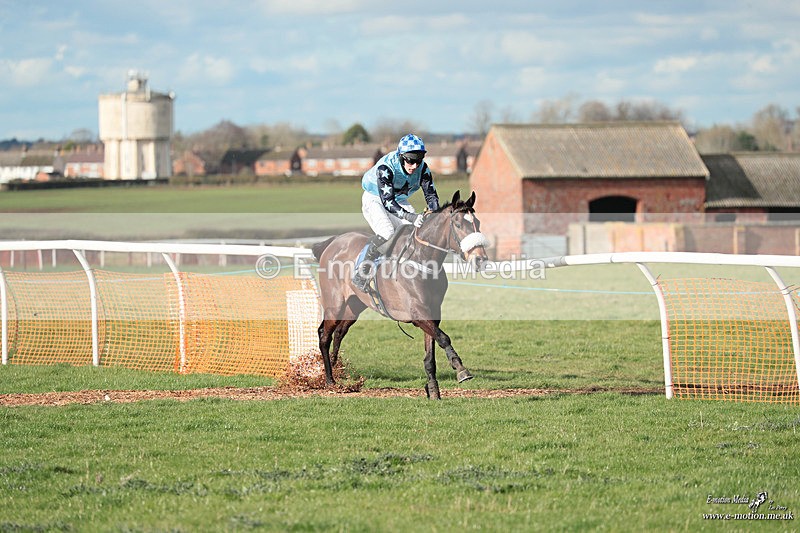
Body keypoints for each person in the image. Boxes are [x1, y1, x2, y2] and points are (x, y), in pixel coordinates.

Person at [352, 133, 440, 291]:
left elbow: (431, 195)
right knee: (387, 231)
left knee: (414, 231)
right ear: (401, 156)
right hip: (375, 198)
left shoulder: (423, 169)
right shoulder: (385, 168)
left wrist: (434, 215)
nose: (414, 166)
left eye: (418, 160)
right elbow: (387, 202)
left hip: (398, 199)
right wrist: (411, 216)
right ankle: (361, 271)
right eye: (410, 160)